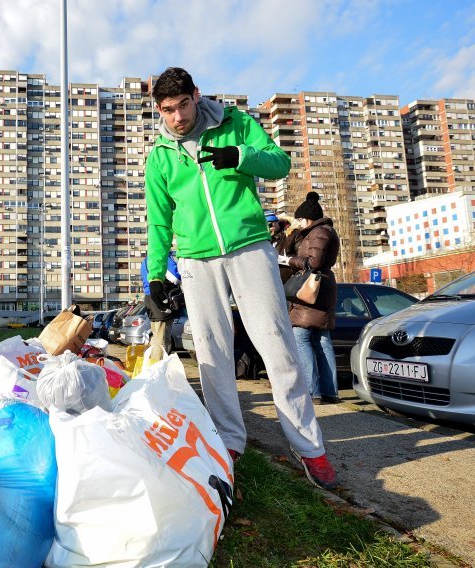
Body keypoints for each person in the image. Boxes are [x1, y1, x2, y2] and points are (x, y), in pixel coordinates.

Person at [144, 67, 337, 489]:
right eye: (166, 110)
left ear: (196, 96)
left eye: (181, 106)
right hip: (196, 260)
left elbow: (279, 163)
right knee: (212, 354)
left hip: (249, 247)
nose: (176, 118)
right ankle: (230, 440)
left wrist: (241, 156)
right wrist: (155, 277)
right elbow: (158, 223)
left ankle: (310, 449)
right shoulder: (160, 155)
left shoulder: (237, 124)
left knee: (278, 345)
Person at [282, 192, 341, 404]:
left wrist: (290, 261)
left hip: (312, 289)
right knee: (322, 340)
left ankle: (312, 391)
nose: (297, 222)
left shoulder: (319, 232)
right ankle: (329, 392)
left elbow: (313, 262)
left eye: (299, 218)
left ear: (307, 217)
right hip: (321, 288)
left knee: (301, 337)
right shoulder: (319, 231)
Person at [141, 253, 182, 353]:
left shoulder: (145, 260)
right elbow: (175, 277)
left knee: (156, 337)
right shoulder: (163, 257)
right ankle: (159, 366)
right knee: (163, 341)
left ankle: (151, 364)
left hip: (149, 297)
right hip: (161, 298)